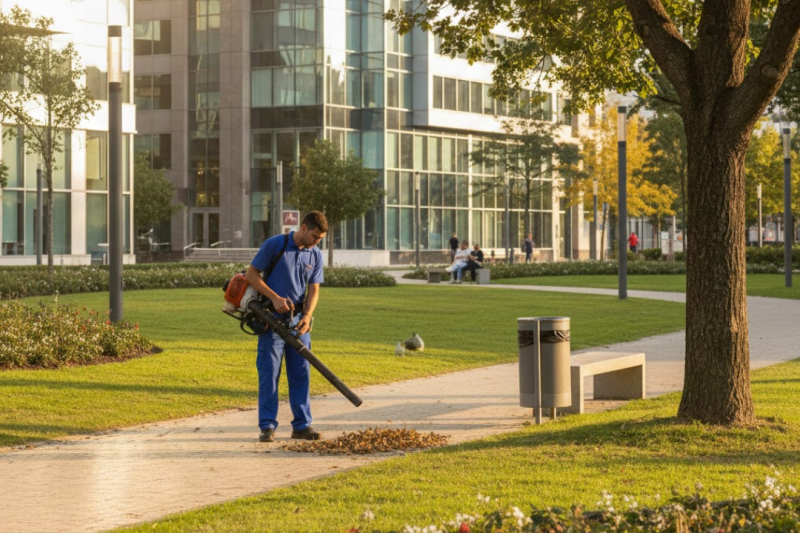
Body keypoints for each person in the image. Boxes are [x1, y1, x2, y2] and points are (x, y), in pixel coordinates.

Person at [245, 211, 327, 443]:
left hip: (299, 323)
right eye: (314, 236)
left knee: (301, 373)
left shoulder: (315, 254)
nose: (316, 241)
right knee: (269, 374)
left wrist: (308, 315)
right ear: (303, 228)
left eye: (320, 238)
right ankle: (267, 426)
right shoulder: (275, 245)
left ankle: (301, 425)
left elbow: (314, 289)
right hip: (271, 320)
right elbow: (251, 274)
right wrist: (275, 298)